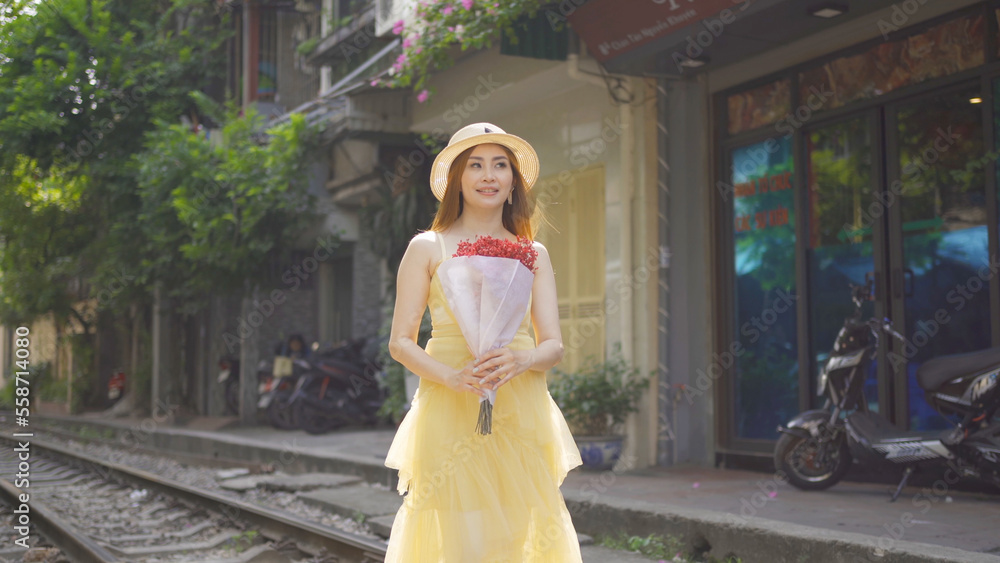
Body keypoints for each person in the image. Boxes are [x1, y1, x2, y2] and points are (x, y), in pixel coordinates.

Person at [385, 123, 582, 562]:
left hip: (520, 405)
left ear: (513, 182)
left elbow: (553, 345)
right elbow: (401, 342)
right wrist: (453, 378)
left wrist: (521, 358)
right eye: (475, 165)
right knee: (458, 532)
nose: (488, 175)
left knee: (517, 533)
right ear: (458, 179)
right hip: (449, 403)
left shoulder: (534, 253)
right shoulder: (428, 247)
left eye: (500, 165)